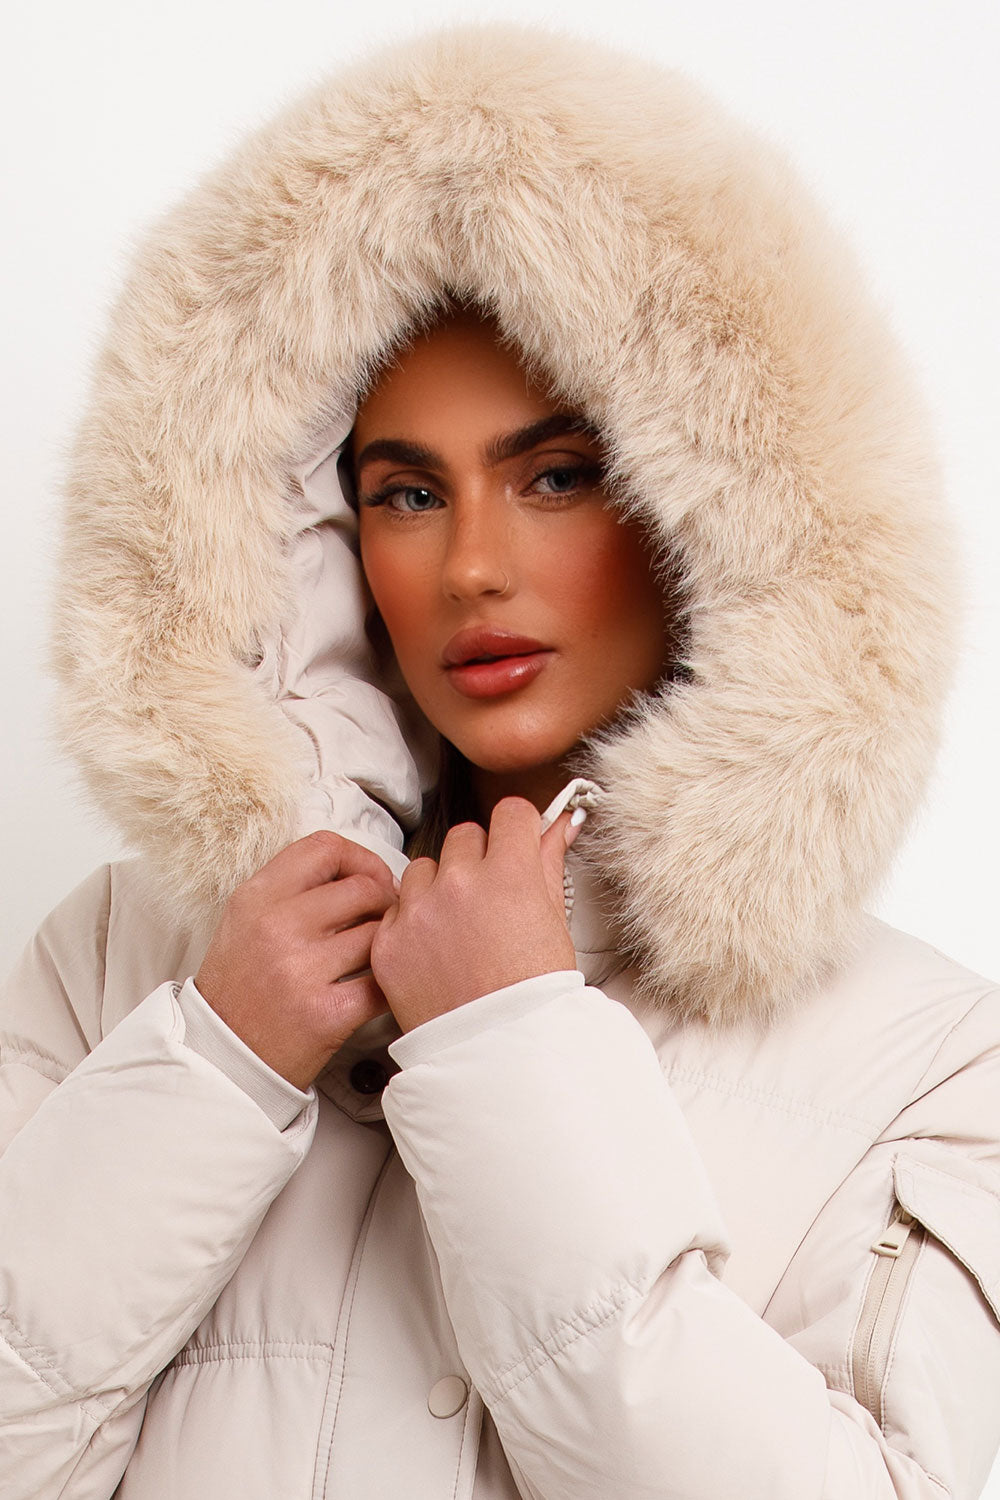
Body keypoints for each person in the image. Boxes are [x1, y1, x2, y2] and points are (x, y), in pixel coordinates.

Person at [1, 22, 998, 1500]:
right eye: (405, 493)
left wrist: (510, 1053)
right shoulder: (127, 960)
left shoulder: (930, 1056)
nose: (471, 565)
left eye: (557, 476)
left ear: (720, 504)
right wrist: (215, 1065)